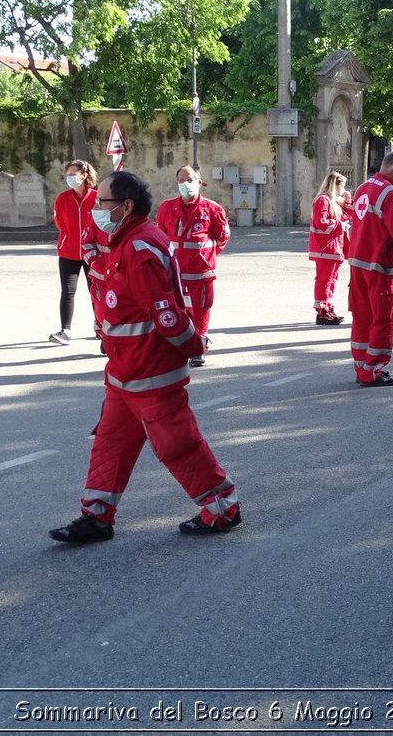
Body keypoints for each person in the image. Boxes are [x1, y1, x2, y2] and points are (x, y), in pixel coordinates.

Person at [48, 171, 241, 544]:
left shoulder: (139, 248)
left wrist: (194, 346)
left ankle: (222, 508)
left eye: (102, 203)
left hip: (152, 372)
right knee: (110, 441)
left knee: (176, 444)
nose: (96, 209)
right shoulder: (125, 240)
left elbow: (167, 316)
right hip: (124, 372)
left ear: (125, 207)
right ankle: (97, 516)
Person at [347, 150, 393, 387]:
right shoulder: (390, 193)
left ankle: (361, 365)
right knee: (384, 319)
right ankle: (374, 369)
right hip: (380, 265)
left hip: (357, 263)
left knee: (362, 317)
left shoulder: (363, 187)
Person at [156, 165, 229, 369]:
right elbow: (160, 237)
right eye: (180, 180)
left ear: (199, 181)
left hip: (201, 273)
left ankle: (198, 347)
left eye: (189, 179)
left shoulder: (213, 209)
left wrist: (205, 257)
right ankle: (179, 345)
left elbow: (222, 238)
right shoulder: (167, 208)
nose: (184, 184)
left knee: (201, 309)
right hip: (175, 273)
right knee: (177, 309)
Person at [50, 160, 98, 345]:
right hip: (68, 252)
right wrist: (69, 239)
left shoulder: (96, 198)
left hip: (92, 252)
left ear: (84, 175)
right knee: (68, 291)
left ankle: (100, 327)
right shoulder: (62, 198)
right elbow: (60, 223)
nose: (69, 178)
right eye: (67, 175)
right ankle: (65, 331)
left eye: (73, 174)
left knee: (96, 291)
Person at [309, 171, 350, 325]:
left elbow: (349, 214)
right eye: (342, 186)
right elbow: (322, 223)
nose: (343, 189)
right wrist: (342, 225)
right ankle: (322, 312)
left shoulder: (333, 201)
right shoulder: (323, 200)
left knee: (331, 280)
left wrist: (346, 200)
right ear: (335, 185)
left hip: (333, 247)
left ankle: (328, 307)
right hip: (325, 247)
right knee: (324, 280)